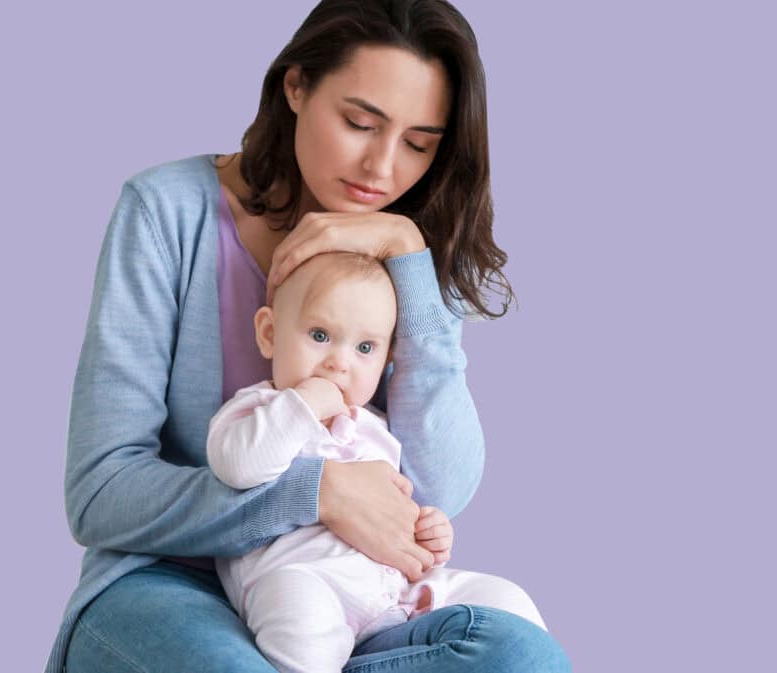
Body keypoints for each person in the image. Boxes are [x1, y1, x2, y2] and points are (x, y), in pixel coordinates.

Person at [48, 1, 572, 671]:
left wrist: (409, 253)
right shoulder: (167, 212)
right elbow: (100, 494)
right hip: (166, 585)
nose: (383, 168)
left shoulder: (404, 246)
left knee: (521, 656)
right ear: (296, 87)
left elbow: (440, 484)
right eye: (359, 122)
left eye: (418, 143)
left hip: (352, 600)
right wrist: (313, 492)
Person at [207, 251, 548, 673]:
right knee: (301, 621)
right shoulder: (257, 409)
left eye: (364, 347)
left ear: (385, 359)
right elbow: (239, 466)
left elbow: (396, 506)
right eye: (319, 335)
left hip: (395, 592)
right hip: (309, 579)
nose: (340, 362)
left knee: (508, 601)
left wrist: (428, 531)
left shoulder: (376, 427)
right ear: (269, 333)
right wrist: (303, 404)